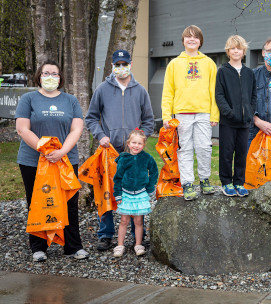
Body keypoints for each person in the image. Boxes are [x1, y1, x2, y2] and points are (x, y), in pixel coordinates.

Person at [15, 60, 88, 262]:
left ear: (60, 78)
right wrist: (45, 149)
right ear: (39, 76)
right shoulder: (28, 99)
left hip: (65, 160)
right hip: (33, 161)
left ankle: (73, 247)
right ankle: (39, 247)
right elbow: (22, 128)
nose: (50, 77)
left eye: (54, 74)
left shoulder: (70, 101)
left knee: (69, 203)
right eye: (46, 73)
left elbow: (77, 129)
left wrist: (61, 151)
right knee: (36, 201)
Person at [86, 49, 155, 251]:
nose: (121, 68)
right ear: (112, 66)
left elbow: (149, 120)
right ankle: (106, 234)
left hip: (133, 153)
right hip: (110, 151)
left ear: (130, 65)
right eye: (118, 64)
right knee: (107, 191)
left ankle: (137, 236)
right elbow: (91, 117)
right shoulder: (102, 89)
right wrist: (100, 135)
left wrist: (139, 138)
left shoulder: (140, 90)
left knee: (134, 191)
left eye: (125, 64)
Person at [161, 25, 219, 201]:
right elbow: (168, 92)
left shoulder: (209, 63)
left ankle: (204, 180)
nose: (191, 39)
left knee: (204, 148)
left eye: (195, 37)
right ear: (183, 40)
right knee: (184, 149)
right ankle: (187, 183)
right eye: (188, 37)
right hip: (182, 114)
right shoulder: (174, 64)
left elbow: (214, 91)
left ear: (200, 41)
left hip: (203, 113)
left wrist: (214, 114)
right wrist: (166, 115)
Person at [215, 35, 256, 197]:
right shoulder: (223, 72)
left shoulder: (249, 73)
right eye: (233, 48)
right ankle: (226, 182)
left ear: (244, 51)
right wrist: (229, 113)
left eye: (239, 48)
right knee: (226, 153)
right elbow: (219, 95)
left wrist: (250, 112)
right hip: (228, 122)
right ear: (228, 51)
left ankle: (239, 182)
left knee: (241, 153)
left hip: (245, 122)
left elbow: (253, 96)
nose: (236, 51)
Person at [112, 129, 158, 257]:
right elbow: (118, 178)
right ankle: (120, 245)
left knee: (138, 221)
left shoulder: (147, 158)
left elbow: (154, 172)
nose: (136, 146)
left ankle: (138, 244)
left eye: (139, 144)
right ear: (128, 143)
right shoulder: (124, 159)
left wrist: (149, 188)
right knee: (124, 220)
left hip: (140, 193)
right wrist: (118, 194)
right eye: (134, 143)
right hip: (125, 193)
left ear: (143, 145)